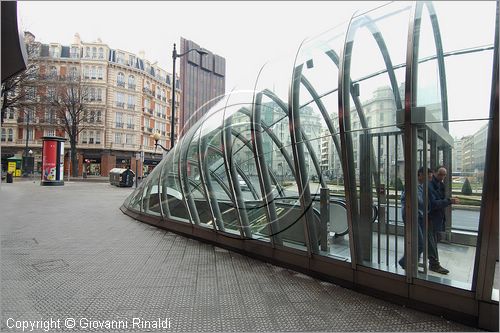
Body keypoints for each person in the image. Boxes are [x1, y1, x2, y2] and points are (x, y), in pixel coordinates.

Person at [427, 166, 460, 274]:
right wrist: (449, 201)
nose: (442, 177)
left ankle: (431, 263)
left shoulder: (439, 185)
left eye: (444, 175)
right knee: (431, 242)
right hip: (431, 217)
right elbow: (434, 204)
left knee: (432, 241)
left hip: (435, 217)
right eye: (440, 174)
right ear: (435, 173)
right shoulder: (431, 185)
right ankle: (434, 264)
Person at [398, 167, 432, 270]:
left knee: (417, 242)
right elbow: (419, 202)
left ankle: (408, 262)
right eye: (428, 177)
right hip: (411, 217)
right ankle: (408, 263)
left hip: (418, 216)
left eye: (430, 177)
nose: (429, 180)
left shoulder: (421, 186)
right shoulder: (412, 186)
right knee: (420, 244)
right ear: (420, 175)